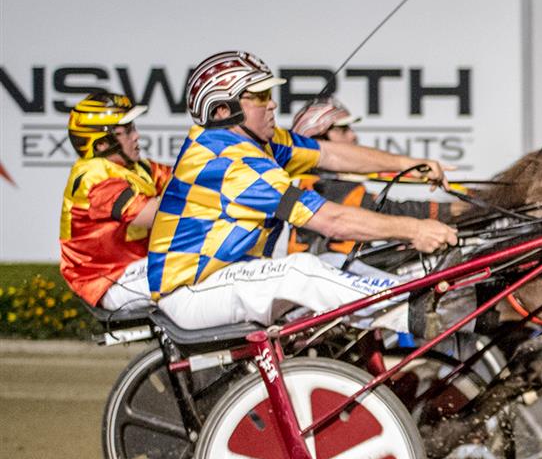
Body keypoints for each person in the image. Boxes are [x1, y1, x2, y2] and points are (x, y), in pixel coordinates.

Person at [147, 51, 458, 330]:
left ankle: (439, 309)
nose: (272, 103)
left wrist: (413, 163)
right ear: (222, 111)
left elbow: (331, 155)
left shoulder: (259, 143)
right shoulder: (227, 161)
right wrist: (414, 230)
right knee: (301, 270)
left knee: (333, 265)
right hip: (192, 291)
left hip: (230, 279)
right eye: (259, 96)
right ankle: (420, 315)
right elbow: (329, 220)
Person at [285, 95, 458, 256]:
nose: (353, 136)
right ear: (318, 139)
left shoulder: (307, 179)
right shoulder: (326, 187)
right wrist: (472, 205)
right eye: (343, 129)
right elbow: (392, 211)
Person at [57, 92, 173, 313]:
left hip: (135, 269)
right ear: (101, 144)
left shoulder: (137, 168)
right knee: (198, 273)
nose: (136, 136)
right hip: (108, 280)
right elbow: (157, 215)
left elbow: (184, 178)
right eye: (126, 131)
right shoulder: (94, 176)